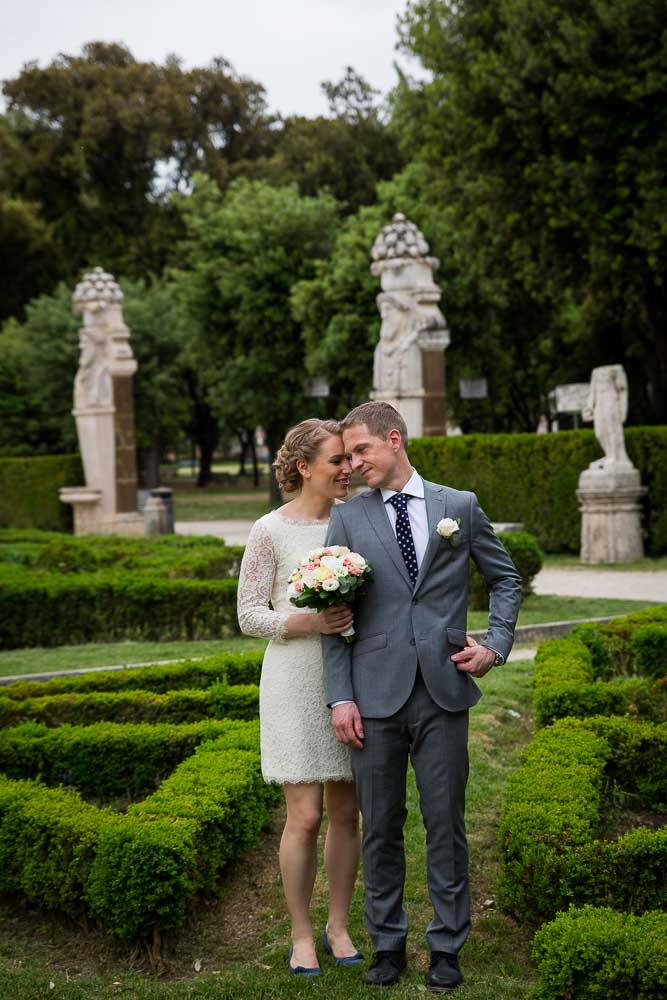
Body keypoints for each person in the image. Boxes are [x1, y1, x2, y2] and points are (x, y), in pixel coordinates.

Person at [322, 401, 521, 992]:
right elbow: (334, 616)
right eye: (348, 455)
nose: (354, 465)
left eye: (362, 451)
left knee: (446, 823)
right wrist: (340, 698)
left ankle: (446, 946)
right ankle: (387, 943)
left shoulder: (457, 507)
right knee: (380, 825)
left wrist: (497, 644)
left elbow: (505, 578)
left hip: (443, 690)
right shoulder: (349, 518)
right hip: (373, 695)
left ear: (394, 439)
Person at [237, 418, 364, 978]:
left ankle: (339, 925)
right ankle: (301, 934)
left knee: (345, 812)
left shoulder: (359, 520)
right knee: (305, 815)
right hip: (292, 677)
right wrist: (307, 621)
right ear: (304, 467)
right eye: (337, 460)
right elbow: (248, 614)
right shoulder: (269, 530)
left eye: (348, 459)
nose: (348, 469)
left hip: (352, 679)